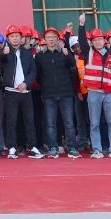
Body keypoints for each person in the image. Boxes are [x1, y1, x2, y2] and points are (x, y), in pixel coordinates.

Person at [76, 17, 111, 159]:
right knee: (94, 123)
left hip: (109, 93)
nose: (98, 42)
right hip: (93, 93)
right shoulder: (88, 52)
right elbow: (82, 40)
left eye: (100, 39)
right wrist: (81, 25)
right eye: (95, 40)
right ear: (91, 42)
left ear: (105, 41)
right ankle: (97, 150)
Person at [34, 26, 77, 158]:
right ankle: (53, 147)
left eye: (53, 37)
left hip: (66, 93)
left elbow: (73, 68)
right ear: (45, 40)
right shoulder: (40, 56)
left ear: (58, 39)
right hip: (49, 94)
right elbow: (38, 75)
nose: (51, 39)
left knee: (69, 123)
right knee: (50, 123)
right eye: (48, 37)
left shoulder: (65, 53)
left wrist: (68, 54)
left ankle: (72, 148)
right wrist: (45, 88)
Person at [0, 25, 41, 159]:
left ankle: (32, 147)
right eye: (12, 36)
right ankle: (11, 147)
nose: (15, 39)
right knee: (11, 121)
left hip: (26, 92)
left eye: (17, 36)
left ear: (21, 38)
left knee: (29, 120)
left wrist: (26, 83)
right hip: (11, 92)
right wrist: (3, 53)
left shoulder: (27, 53)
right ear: (8, 38)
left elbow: (33, 71)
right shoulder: (4, 52)